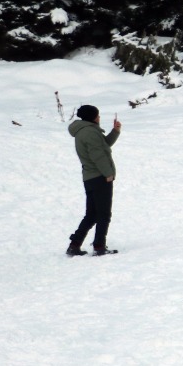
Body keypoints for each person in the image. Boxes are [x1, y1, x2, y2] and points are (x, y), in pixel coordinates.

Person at [67, 105, 121, 256]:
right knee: (103, 214)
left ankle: (74, 245)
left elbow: (102, 146)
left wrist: (115, 132)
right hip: (99, 177)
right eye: (98, 115)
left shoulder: (84, 131)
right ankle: (99, 247)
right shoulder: (90, 132)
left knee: (91, 214)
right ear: (92, 117)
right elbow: (98, 155)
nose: (99, 118)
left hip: (89, 178)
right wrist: (108, 173)